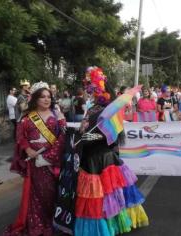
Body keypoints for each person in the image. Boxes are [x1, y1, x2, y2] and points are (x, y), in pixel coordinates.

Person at [68, 67, 148, 235]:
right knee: (95, 195)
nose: (92, 92)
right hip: (89, 156)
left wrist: (96, 138)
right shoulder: (92, 108)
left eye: (94, 88)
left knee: (110, 193)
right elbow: (86, 127)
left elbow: (115, 133)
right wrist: (82, 132)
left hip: (103, 156)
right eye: (90, 89)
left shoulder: (111, 109)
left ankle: (113, 224)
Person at [4, 82, 66, 236]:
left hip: (51, 162)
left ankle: (52, 219)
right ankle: (37, 221)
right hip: (34, 162)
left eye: (49, 97)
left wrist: (49, 157)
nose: (46, 100)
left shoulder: (56, 115)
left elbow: (62, 137)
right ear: (35, 99)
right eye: (42, 97)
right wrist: (28, 149)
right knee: (36, 193)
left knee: (51, 193)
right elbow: (20, 136)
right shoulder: (27, 117)